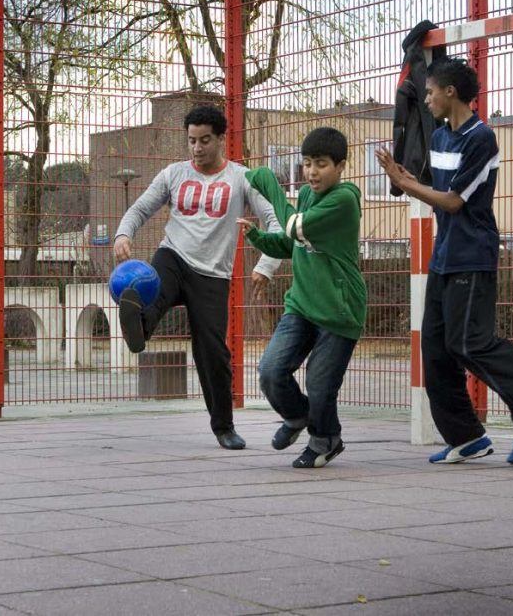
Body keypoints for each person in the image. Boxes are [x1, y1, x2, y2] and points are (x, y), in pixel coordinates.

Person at [377, 57, 513, 464]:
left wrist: (407, 185)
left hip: (473, 255)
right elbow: (435, 190)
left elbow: (454, 201)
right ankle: (467, 436)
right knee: (435, 349)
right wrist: (405, 178)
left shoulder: (481, 138)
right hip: (444, 256)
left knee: (470, 342)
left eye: (432, 91)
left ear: (450, 92)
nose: (429, 98)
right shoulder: (439, 137)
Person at [114, 104, 282, 450]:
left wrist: (265, 265)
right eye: (192, 140)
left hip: (213, 275)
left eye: (205, 140)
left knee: (212, 352)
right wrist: (123, 234)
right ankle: (138, 329)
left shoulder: (241, 178)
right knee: (153, 292)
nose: (197, 148)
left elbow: (274, 221)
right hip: (173, 255)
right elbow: (141, 207)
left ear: (221, 139)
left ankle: (224, 427)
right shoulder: (173, 174)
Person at [238, 127, 366, 468]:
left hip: (339, 310)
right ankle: (297, 417)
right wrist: (260, 238)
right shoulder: (309, 196)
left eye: (321, 164)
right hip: (302, 305)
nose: (311, 172)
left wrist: (270, 186)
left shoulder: (344, 200)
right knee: (270, 371)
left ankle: (325, 440)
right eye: (307, 164)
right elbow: (293, 242)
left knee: (320, 386)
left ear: (341, 166)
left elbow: (294, 225)